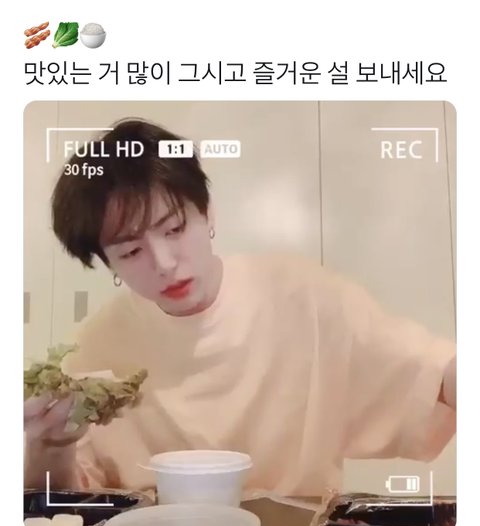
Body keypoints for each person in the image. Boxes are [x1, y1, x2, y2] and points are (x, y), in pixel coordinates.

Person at [24, 119, 456, 501]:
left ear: (207, 213)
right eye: (132, 251)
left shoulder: (303, 298)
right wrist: (50, 445)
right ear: (107, 263)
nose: (165, 263)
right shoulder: (98, 348)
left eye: (174, 228)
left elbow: (432, 374)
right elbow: (65, 499)